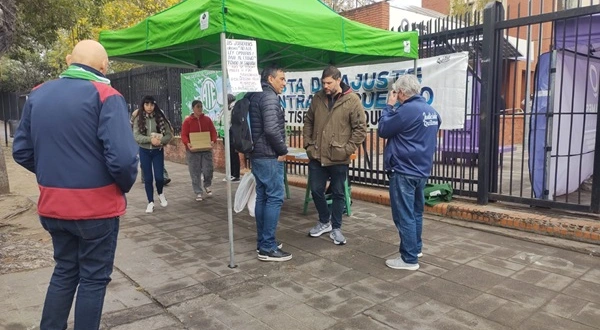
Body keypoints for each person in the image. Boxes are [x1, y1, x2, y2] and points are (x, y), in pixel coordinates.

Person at [12, 40, 138, 330]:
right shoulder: (107, 95)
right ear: (104, 67)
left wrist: (53, 175)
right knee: (93, 278)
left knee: (65, 270)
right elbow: (122, 160)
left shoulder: (38, 95)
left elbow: (21, 151)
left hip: (52, 206)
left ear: (69, 60)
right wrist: (121, 186)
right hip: (96, 210)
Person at [377, 74, 441, 271]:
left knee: (404, 214)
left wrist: (389, 106)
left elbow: (383, 129)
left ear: (402, 93)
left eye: (397, 92)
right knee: (415, 212)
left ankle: (409, 258)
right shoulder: (431, 111)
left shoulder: (406, 111)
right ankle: (416, 248)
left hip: (404, 170)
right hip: (421, 170)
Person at [304, 65, 366, 245]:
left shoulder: (352, 100)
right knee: (316, 190)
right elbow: (308, 121)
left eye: (329, 82)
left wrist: (347, 149)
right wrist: (308, 143)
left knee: (339, 193)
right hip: (317, 154)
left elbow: (360, 129)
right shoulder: (318, 98)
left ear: (339, 80)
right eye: (323, 82)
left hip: (339, 156)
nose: (326, 86)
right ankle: (324, 221)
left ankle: (336, 228)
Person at [250, 66, 291, 261]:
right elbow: (272, 130)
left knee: (263, 197)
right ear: (270, 78)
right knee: (275, 197)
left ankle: (262, 241)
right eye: (281, 79)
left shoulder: (255, 95)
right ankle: (267, 246)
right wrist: (283, 150)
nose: (284, 83)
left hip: (257, 155)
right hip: (269, 156)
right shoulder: (269, 98)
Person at [133, 95, 173, 213]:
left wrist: (160, 141)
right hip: (144, 151)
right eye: (147, 104)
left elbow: (169, 134)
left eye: (151, 104)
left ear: (154, 105)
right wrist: (150, 140)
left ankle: (160, 193)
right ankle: (150, 202)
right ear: (143, 105)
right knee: (148, 178)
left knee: (160, 177)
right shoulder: (138, 118)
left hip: (157, 151)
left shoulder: (160, 117)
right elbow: (136, 136)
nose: (149, 107)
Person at [181, 100, 217, 201]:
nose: (200, 109)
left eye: (201, 106)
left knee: (208, 169)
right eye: (198, 107)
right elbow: (183, 135)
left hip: (206, 149)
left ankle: (207, 185)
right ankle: (198, 191)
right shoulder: (187, 121)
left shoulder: (207, 120)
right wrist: (187, 143)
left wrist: (213, 141)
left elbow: (213, 132)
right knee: (195, 171)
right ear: (193, 108)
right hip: (193, 150)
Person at [131, 107, 171, 186]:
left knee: (159, 163)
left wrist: (161, 139)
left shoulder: (160, 113)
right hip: (142, 142)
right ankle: (144, 177)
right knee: (144, 163)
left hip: (157, 144)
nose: (149, 107)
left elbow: (166, 126)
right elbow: (132, 124)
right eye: (147, 104)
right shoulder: (137, 113)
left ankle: (164, 177)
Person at [222, 93, 241, 182]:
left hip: (232, 132)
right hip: (227, 132)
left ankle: (235, 174)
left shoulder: (234, 107)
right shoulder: (227, 108)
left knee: (233, 154)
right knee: (230, 154)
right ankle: (231, 173)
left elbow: (232, 120)